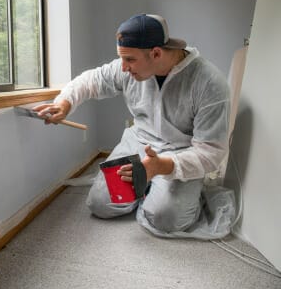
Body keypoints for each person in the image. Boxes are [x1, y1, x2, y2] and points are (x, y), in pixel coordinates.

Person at [33, 14, 231, 236]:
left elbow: (211, 152)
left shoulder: (209, 83)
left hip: (181, 152)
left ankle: (166, 187)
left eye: (130, 60)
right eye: (122, 59)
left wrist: (159, 167)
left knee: (166, 219)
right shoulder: (127, 67)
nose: (124, 68)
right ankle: (148, 185)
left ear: (156, 53)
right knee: (100, 204)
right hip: (139, 142)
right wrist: (64, 104)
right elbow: (89, 81)